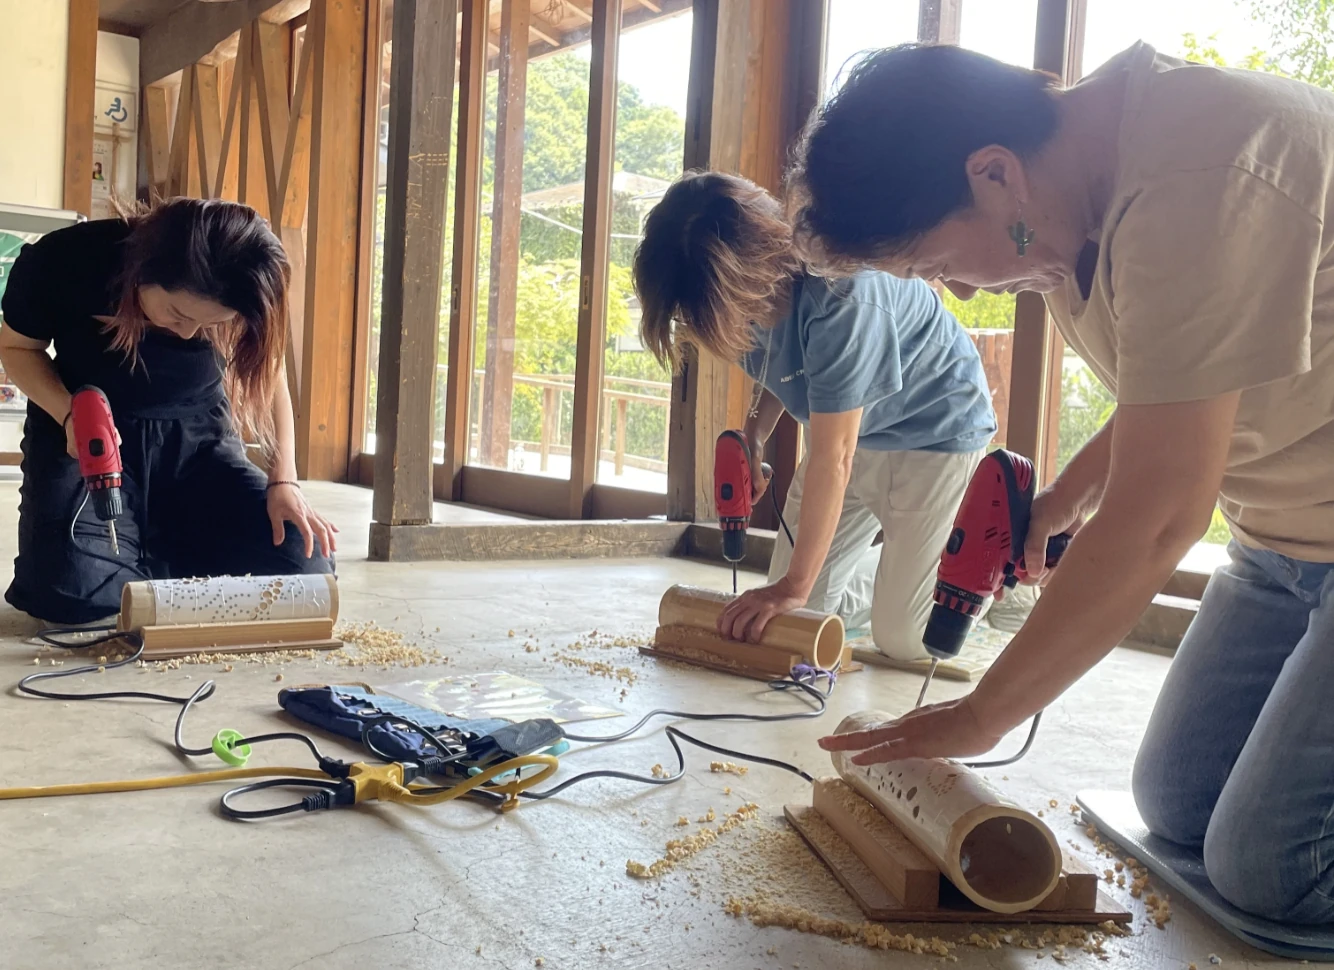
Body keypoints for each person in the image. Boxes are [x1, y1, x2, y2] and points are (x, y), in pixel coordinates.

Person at [796, 42, 1334, 924]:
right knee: (1178, 804)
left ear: (994, 173)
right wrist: (1064, 501)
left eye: (938, 265)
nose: (961, 293)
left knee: (1275, 871)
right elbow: (1183, 387)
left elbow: (1163, 516)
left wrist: (983, 715)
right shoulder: (1064, 203)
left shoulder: (1202, 172)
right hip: (1282, 537)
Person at [632, 171, 996, 659]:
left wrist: (794, 585)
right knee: (799, 619)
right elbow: (788, 364)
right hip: (856, 435)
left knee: (908, 640)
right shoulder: (740, 304)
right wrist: (755, 433)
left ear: (749, 274)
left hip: (935, 431)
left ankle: (993, 566)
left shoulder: (844, 294)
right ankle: (912, 570)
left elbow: (834, 456)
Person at [0, 198, 336, 625]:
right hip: (87, 436)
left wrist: (284, 480)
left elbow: (271, 372)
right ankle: (139, 554)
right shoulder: (64, 259)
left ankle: (152, 554)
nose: (190, 332)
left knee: (302, 568)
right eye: (178, 313)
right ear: (144, 267)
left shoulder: (239, 277)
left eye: (211, 324)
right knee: (74, 593)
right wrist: (67, 412)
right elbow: (16, 348)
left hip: (199, 444)